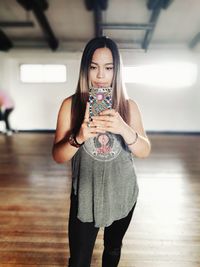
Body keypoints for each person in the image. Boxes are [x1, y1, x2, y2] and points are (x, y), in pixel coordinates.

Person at [52, 36, 151, 267]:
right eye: (93, 67)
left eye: (108, 68)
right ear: (85, 69)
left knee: (113, 249)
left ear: (117, 71)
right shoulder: (71, 105)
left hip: (122, 192)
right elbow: (58, 156)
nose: (100, 75)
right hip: (86, 194)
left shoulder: (129, 106)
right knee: (78, 261)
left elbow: (144, 150)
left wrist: (123, 129)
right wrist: (79, 138)